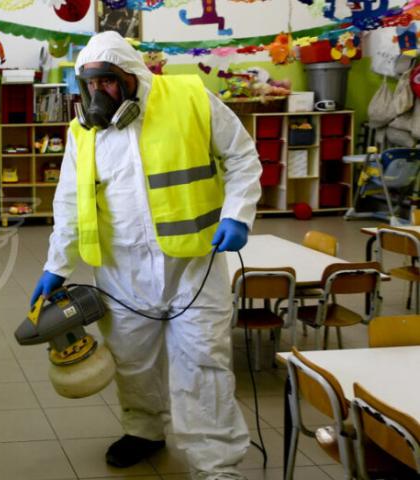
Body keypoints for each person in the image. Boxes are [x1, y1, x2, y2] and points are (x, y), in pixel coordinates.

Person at [29, 32, 261, 479]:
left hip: (194, 263)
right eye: (90, 85)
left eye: (108, 83)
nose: (99, 94)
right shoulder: (84, 132)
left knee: (203, 365)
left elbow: (242, 156)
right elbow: (68, 203)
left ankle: (217, 466)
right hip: (121, 269)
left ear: (132, 77)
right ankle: (143, 430)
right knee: (132, 359)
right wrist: (56, 265)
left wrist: (238, 214)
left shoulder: (191, 98)